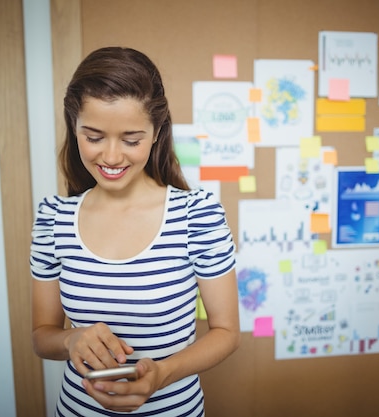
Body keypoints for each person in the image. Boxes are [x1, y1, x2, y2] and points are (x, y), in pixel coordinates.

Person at [30, 46, 240, 416]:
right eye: (93, 137)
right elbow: (42, 337)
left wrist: (163, 373)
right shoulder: (53, 219)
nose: (111, 157)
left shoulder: (197, 215)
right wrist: (70, 339)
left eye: (131, 140)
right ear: (73, 126)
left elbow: (226, 333)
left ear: (157, 132)